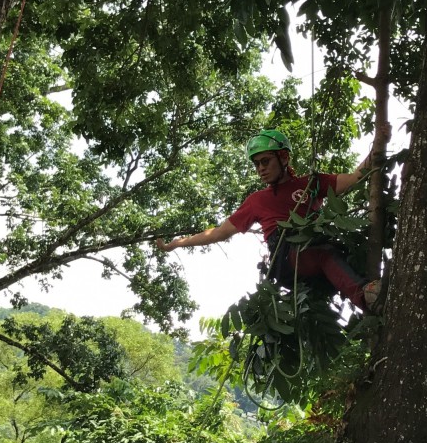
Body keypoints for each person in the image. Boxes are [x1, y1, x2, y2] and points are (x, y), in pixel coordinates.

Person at [156, 129, 384, 312]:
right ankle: (367, 296)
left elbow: (354, 178)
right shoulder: (257, 200)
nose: (261, 169)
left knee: (340, 252)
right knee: (325, 253)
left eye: (265, 161)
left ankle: (371, 295)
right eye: (256, 164)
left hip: (312, 250)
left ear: (283, 157)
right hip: (285, 257)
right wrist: (176, 243)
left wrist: (377, 146)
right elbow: (218, 233)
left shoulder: (310, 183)